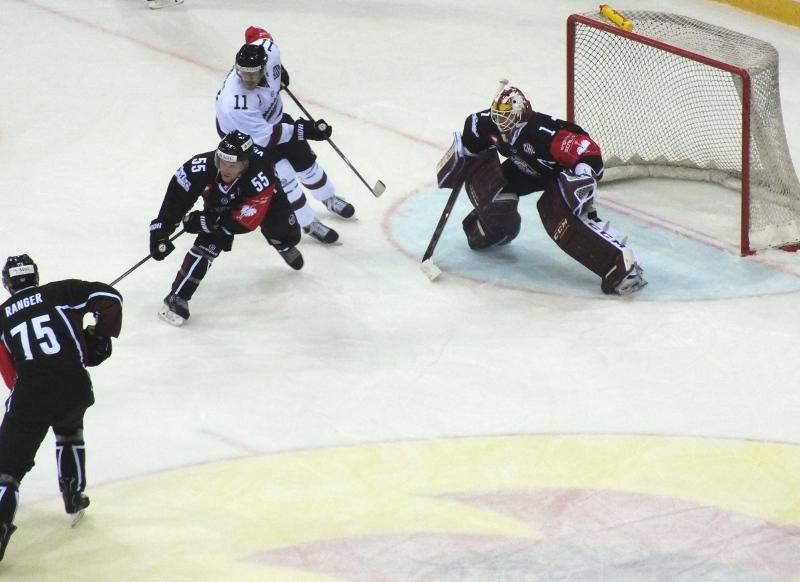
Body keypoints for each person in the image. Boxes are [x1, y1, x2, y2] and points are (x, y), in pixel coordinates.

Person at [437, 83, 646, 295]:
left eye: (506, 116)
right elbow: (471, 132)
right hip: (526, 168)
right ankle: (497, 231)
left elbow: (587, 150)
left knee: (557, 218)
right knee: (490, 187)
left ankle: (623, 262)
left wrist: (583, 178)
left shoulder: (542, 133)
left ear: (521, 115)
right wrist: (463, 158)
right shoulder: (487, 124)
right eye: (498, 115)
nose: (500, 122)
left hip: (560, 174)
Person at [0, 254, 123, 561]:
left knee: (7, 470)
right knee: (69, 430)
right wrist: (99, 336)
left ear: (8, 284)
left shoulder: (2, 316)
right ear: (35, 277)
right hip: (75, 385)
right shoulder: (61, 292)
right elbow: (110, 298)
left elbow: (9, 372)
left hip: (32, 392)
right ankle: (73, 494)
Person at [149, 130, 308, 326]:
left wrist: (209, 222)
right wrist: (161, 229)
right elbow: (177, 197)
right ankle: (177, 297)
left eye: (233, 165)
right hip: (220, 203)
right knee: (208, 245)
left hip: (264, 199)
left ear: (245, 163)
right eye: (222, 161)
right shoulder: (201, 166)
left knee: (284, 229)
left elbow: (247, 220)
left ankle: (281, 243)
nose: (226, 168)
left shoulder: (261, 176)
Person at [215, 25, 355, 245]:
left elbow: (256, 33)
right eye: (243, 72)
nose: (248, 78)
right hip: (247, 141)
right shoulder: (236, 102)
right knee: (285, 177)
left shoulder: (270, 51)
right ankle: (309, 222)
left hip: (275, 121)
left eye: (254, 72)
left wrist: (281, 72)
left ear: (264, 66)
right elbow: (268, 137)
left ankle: (329, 197)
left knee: (307, 164)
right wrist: (305, 129)